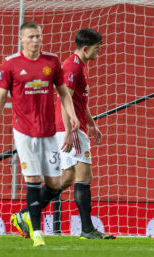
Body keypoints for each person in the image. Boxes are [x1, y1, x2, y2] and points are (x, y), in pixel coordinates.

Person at [0, 21, 79, 247]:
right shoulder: (10, 63)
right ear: (21, 38)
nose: (36, 40)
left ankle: (22, 215)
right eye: (32, 37)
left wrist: (72, 115)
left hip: (48, 131)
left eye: (38, 36)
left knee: (57, 183)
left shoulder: (52, 62)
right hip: (24, 131)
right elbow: (0, 98)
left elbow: (64, 93)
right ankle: (37, 234)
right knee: (33, 180)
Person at [54, 28, 115, 239]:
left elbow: (79, 100)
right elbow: (65, 99)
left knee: (66, 178)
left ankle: (27, 213)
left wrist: (92, 124)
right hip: (71, 128)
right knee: (85, 176)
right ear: (87, 48)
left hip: (73, 126)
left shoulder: (80, 65)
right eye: (98, 48)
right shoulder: (72, 66)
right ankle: (88, 229)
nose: (100, 51)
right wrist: (70, 131)